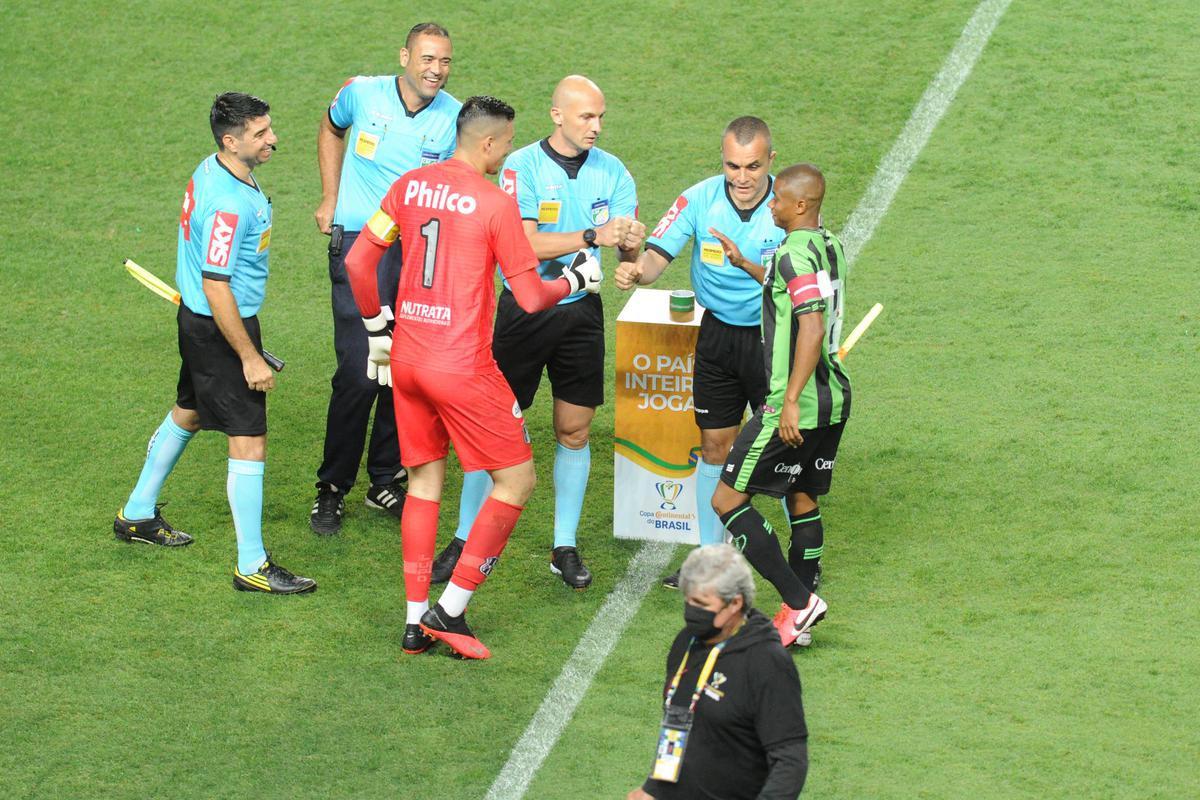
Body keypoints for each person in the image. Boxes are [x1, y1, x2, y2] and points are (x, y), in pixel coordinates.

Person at [343, 96, 603, 658]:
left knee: (423, 484)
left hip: (407, 360)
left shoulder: (408, 186)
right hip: (462, 366)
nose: (508, 154)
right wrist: (576, 281)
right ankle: (451, 610)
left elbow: (358, 262)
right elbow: (530, 297)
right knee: (517, 481)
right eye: (506, 144)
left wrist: (375, 325)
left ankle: (414, 623)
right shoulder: (494, 203)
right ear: (488, 143)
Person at [432, 75, 645, 590]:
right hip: (524, 311)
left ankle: (563, 546)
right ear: (557, 115)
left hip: (581, 313)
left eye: (600, 117)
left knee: (574, 429)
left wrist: (630, 250)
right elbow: (523, 245)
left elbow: (627, 246)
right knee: (491, 430)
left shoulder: (614, 172)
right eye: (586, 116)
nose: (596, 126)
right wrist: (594, 235)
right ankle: (462, 539)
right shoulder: (521, 167)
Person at [113, 93, 316, 594]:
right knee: (249, 438)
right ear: (230, 140)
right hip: (222, 325)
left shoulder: (214, 168)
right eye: (260, 133)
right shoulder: (228, 205)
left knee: (190, 411)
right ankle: (252, 564)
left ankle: (137, 512)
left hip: (202, 323)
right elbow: (216, 284)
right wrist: (249, 356)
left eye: (269, 128)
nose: (273, 139)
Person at [616, 116, 784, 590]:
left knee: (786, 446)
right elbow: (653, 261)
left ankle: (800, 560)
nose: (742, 177)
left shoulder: (788, 203)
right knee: (714, 445)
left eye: (753, 166)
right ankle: (712, 560)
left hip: (773, 338)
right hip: (717, 338)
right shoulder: (698, 199)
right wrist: (633, 267)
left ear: (771, 160)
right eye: (733, 166)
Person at [309, 22, 462, 535]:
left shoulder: (455, 118)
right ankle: (332, 487)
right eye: (427, 59)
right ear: (404, 57)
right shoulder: (361, 93)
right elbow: (331, 127)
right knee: (359, 371)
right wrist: (330, 196)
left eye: (444, 61)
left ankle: (384, 478)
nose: (436, 70)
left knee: (405, 371)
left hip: (419, 254)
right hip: (360, 245)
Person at [711, 164, 848, 648]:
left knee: (727, 500)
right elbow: (791, 290)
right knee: (802, 498)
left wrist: (788, 401)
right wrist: (745, 265)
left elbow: (811, 324)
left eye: (778, 199)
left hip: (796, 405)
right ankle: (800, 620)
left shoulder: (791, 253)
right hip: (833, 400)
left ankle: (799, 601)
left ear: (801, 205)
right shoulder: (829, 245)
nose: (770, 204)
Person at [628, 545, 808, 800]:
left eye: (701, 604)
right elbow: (677, 723)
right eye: (688, 601)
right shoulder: (686, 642)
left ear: (735, 603)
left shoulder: (767, 663)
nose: (691, 612)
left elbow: (790, 762)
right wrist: (654, 788)